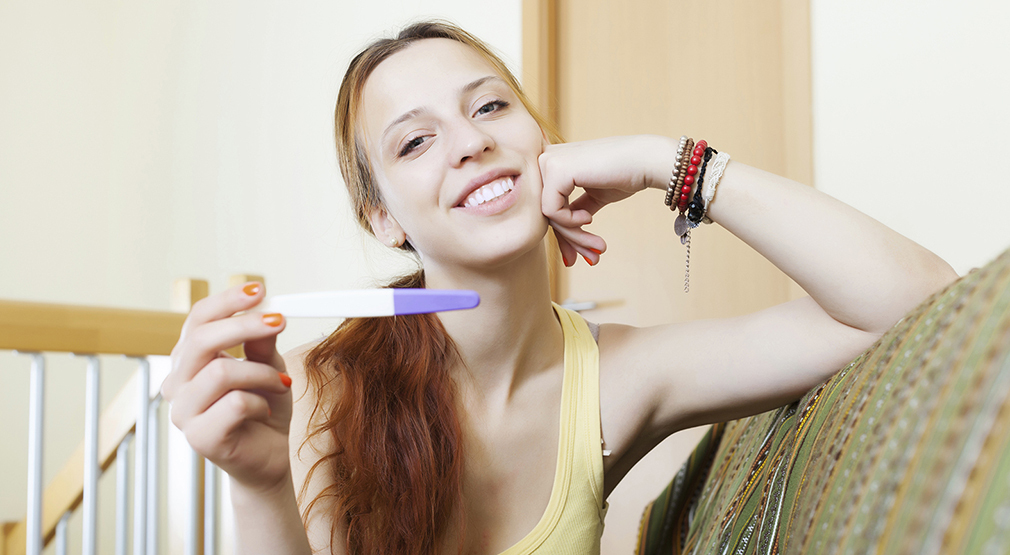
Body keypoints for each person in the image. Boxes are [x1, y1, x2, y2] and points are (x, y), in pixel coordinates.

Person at [159, 20, 959, 555]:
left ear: (545, 140)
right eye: (416, 142)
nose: (471, 142)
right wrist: (262, 483)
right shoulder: (316, 389)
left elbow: (917, 299)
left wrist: (666, 163)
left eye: (492, 107)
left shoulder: (619, 380)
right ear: (383, 219)